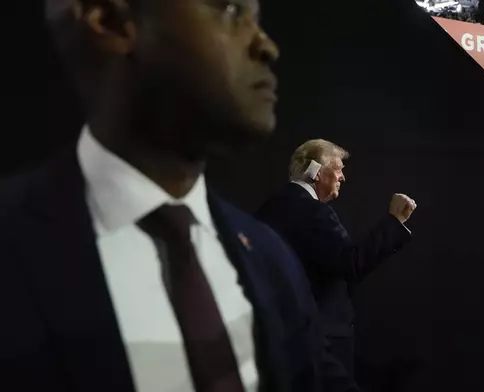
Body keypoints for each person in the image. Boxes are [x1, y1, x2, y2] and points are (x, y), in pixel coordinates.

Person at [0, 1, 357, 391]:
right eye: (230, 9)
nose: (267, 46)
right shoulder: (14, 247)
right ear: (110, 20)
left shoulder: (271, 260)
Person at [255, 139, 417, 382]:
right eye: (339, 168)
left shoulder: (267, 209)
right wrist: (394, 222)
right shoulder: (313, 212)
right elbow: (352, 262)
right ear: (316, 172)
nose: (343, 177)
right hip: (322, 341)